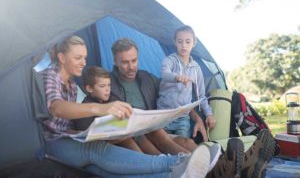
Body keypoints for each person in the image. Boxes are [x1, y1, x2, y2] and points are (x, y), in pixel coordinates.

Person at [41, 35, 216, 177]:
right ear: (62, 58)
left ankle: (191, 170)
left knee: (105, 171)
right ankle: (178, 163)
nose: (83, 62)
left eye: (84, 58)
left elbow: (172, 96)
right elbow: (56, 107)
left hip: (75, 138)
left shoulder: (72, 84)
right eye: (78, 58)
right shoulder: (53, 76)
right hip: (60, 142)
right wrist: (101, 108)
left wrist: (196, 116)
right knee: (98, 149)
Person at [109, 37, 276, 177]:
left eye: (134, 60)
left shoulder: (146, 78)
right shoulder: (105, 86)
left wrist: (196, 118)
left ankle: (227, 164)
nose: (131, 66)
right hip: (133, 136)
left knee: (187, 142)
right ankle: (215, 170)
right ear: (115, 61)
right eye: (124, 62)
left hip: (155, 129)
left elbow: (175, 99)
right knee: (154, 142)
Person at [157, 25, 215, 140]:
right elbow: (164, 73)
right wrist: (177, 77)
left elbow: (201, 96)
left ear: (194, 43)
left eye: (188, 42)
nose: (184, 45)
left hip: (183, 117)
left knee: (183, 144)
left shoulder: (196, 68)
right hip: (164, 115)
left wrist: (209, 114)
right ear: (175, 42)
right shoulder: (170, 60)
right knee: (165, 144)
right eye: (180, 41)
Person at [73, 66, 142, 152]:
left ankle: (160, 157)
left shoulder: (112, 98)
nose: (107, 89)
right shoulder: (86, 108)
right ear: (89, 88)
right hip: (102, 145)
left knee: (148, 132)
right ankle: (147, 161)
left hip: (123, 134)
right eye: (102, 86)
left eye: (109, 85)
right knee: (126, 140)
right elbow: (88, 136)